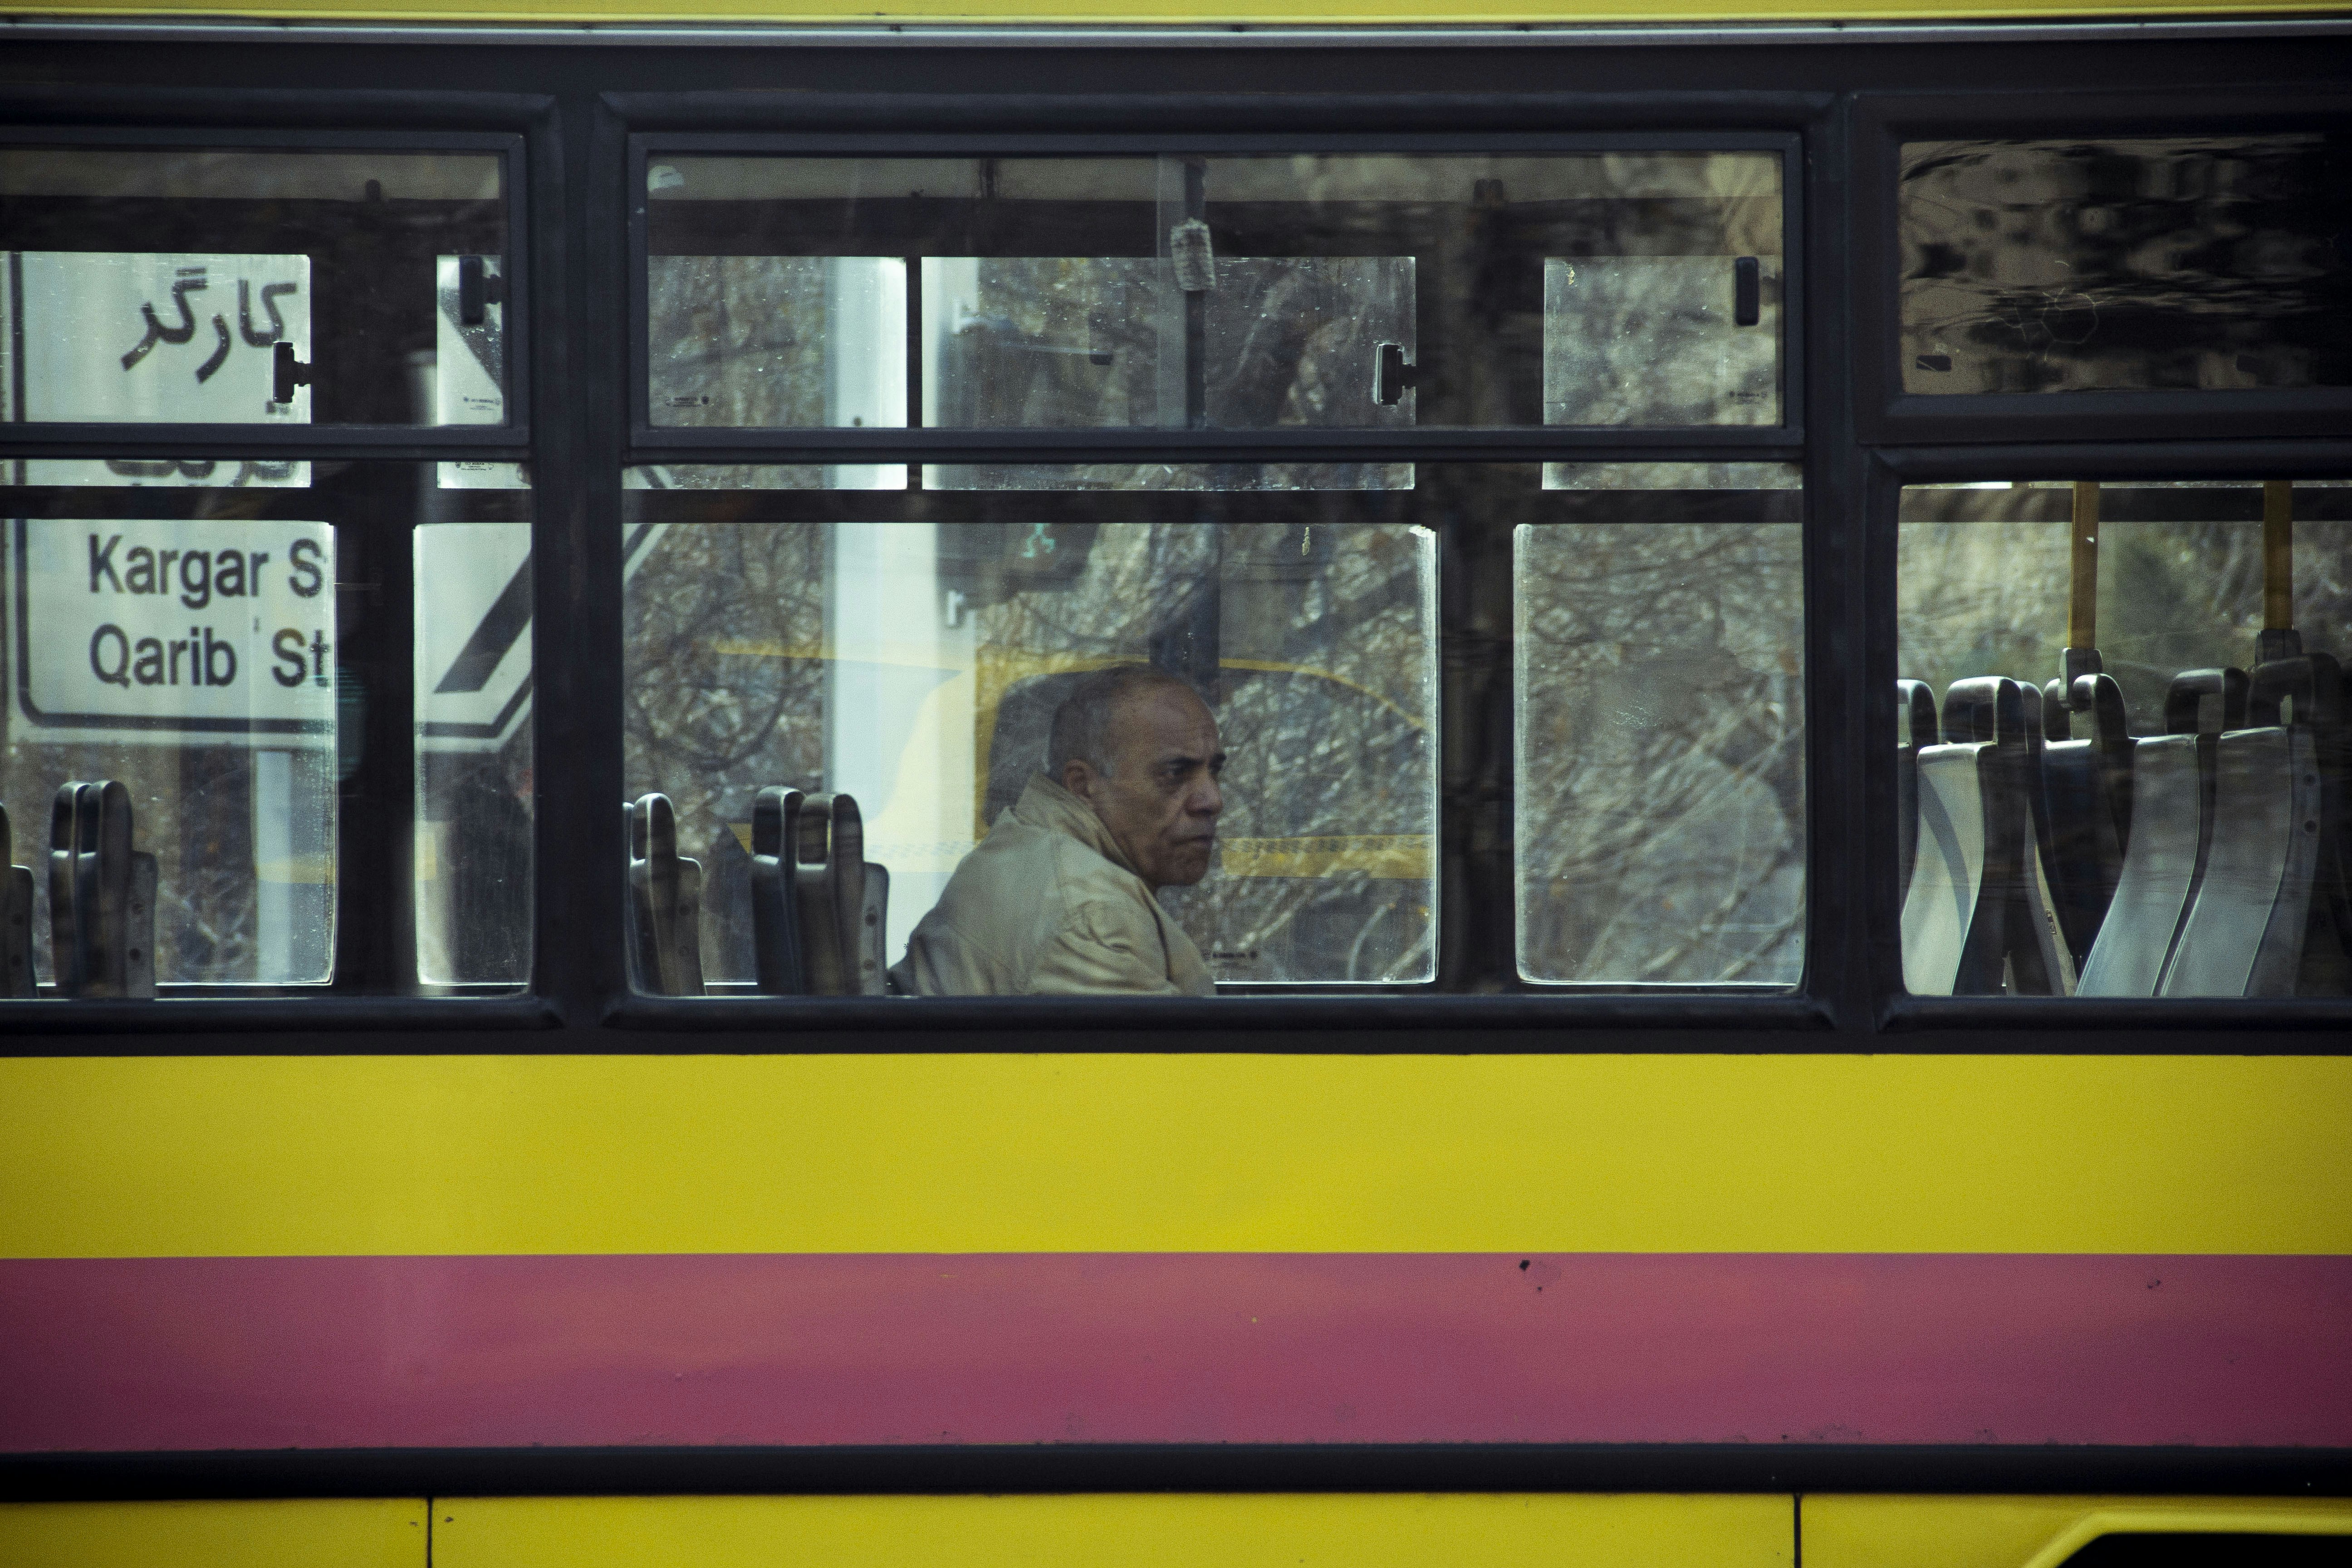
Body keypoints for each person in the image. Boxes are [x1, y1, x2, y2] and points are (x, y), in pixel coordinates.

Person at [890, 664, 1225, 996]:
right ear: (1083, 786)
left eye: (1214, 771)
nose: (1213, 800)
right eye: (1175, 773)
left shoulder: (1024, 846)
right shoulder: (1091, 921)